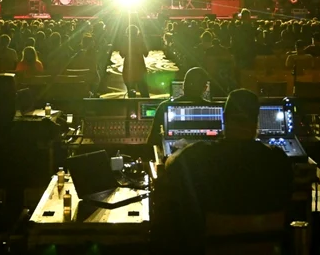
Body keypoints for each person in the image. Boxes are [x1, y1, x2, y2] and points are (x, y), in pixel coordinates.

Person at [155, 89, 293, 254]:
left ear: (224, 119)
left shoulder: (200, 153)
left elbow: (170, 166)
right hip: (266, 249)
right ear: (256, 122)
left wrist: (182, 150)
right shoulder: (279, 158)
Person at [151, 67, 210, 144]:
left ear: (183, 85)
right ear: (205, 88)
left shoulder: (164, 107)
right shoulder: (212, 109)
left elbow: (152, 142)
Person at [118, 25, 149, 98]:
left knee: (131, 92)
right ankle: (146, 107)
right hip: (140, 68)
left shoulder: (126, 42)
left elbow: (122, 54)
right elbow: (146, 53)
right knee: (144, 92)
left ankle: (131, 107)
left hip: (129, 68)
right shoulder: (140, 42)